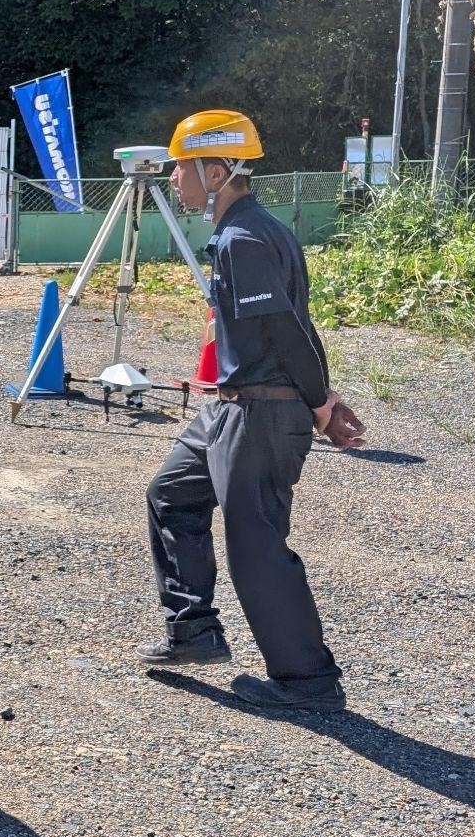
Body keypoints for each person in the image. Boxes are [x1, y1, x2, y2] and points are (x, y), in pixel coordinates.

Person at [140, 109, 363, 713]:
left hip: (261, 412)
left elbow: (287, 331)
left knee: (255, 542)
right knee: (171, 493)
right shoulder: (252, 230)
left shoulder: (244, 239)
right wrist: (325, 399)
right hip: (231, 405)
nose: (175, 180)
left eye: (181, 169)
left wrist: (320, 404)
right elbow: (297, 324)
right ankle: (194, 631)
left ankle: (307, 681)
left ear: (216, 172)